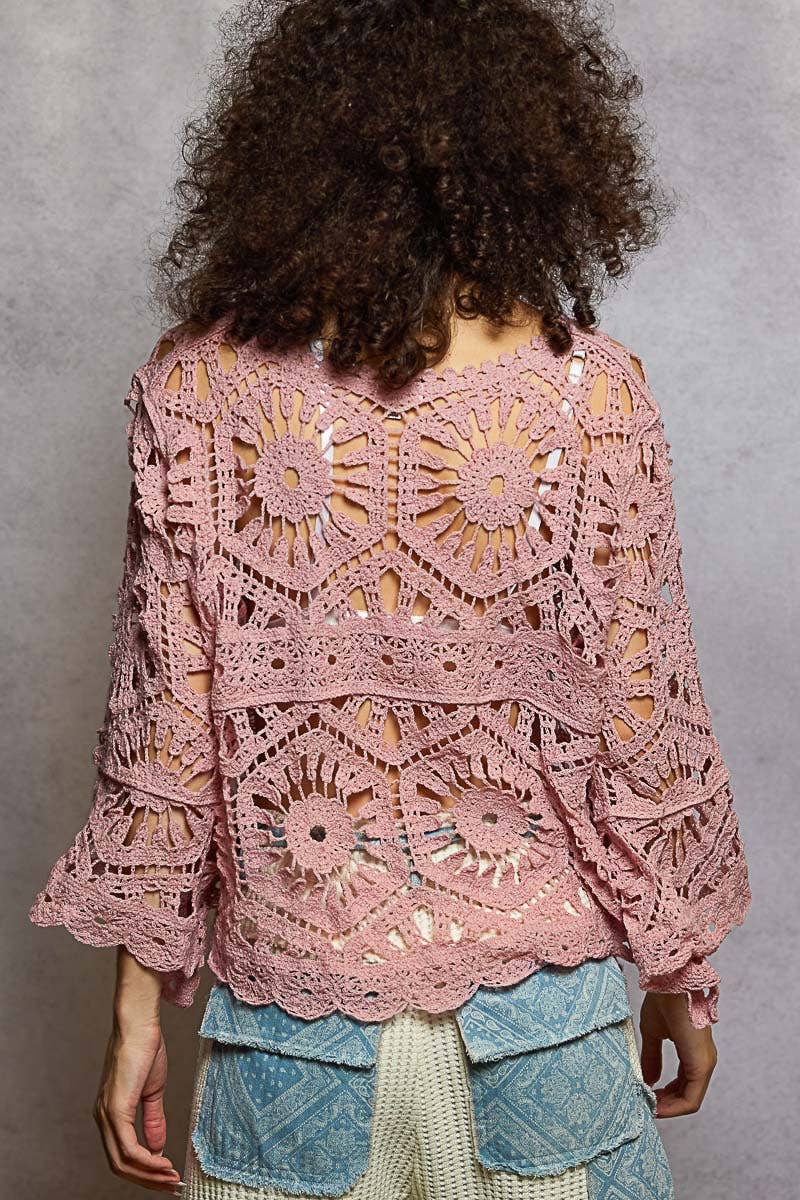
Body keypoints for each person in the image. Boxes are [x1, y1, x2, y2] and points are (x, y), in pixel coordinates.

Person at [29, 2, 752, 1197]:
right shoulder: (591, 401)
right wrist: (679, 979)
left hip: (288, 1052)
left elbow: (164, 750)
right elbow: (642, 732)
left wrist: (136, 1015)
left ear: (290, 147)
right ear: (530, 154)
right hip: (549, 1036)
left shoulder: (198, 397)